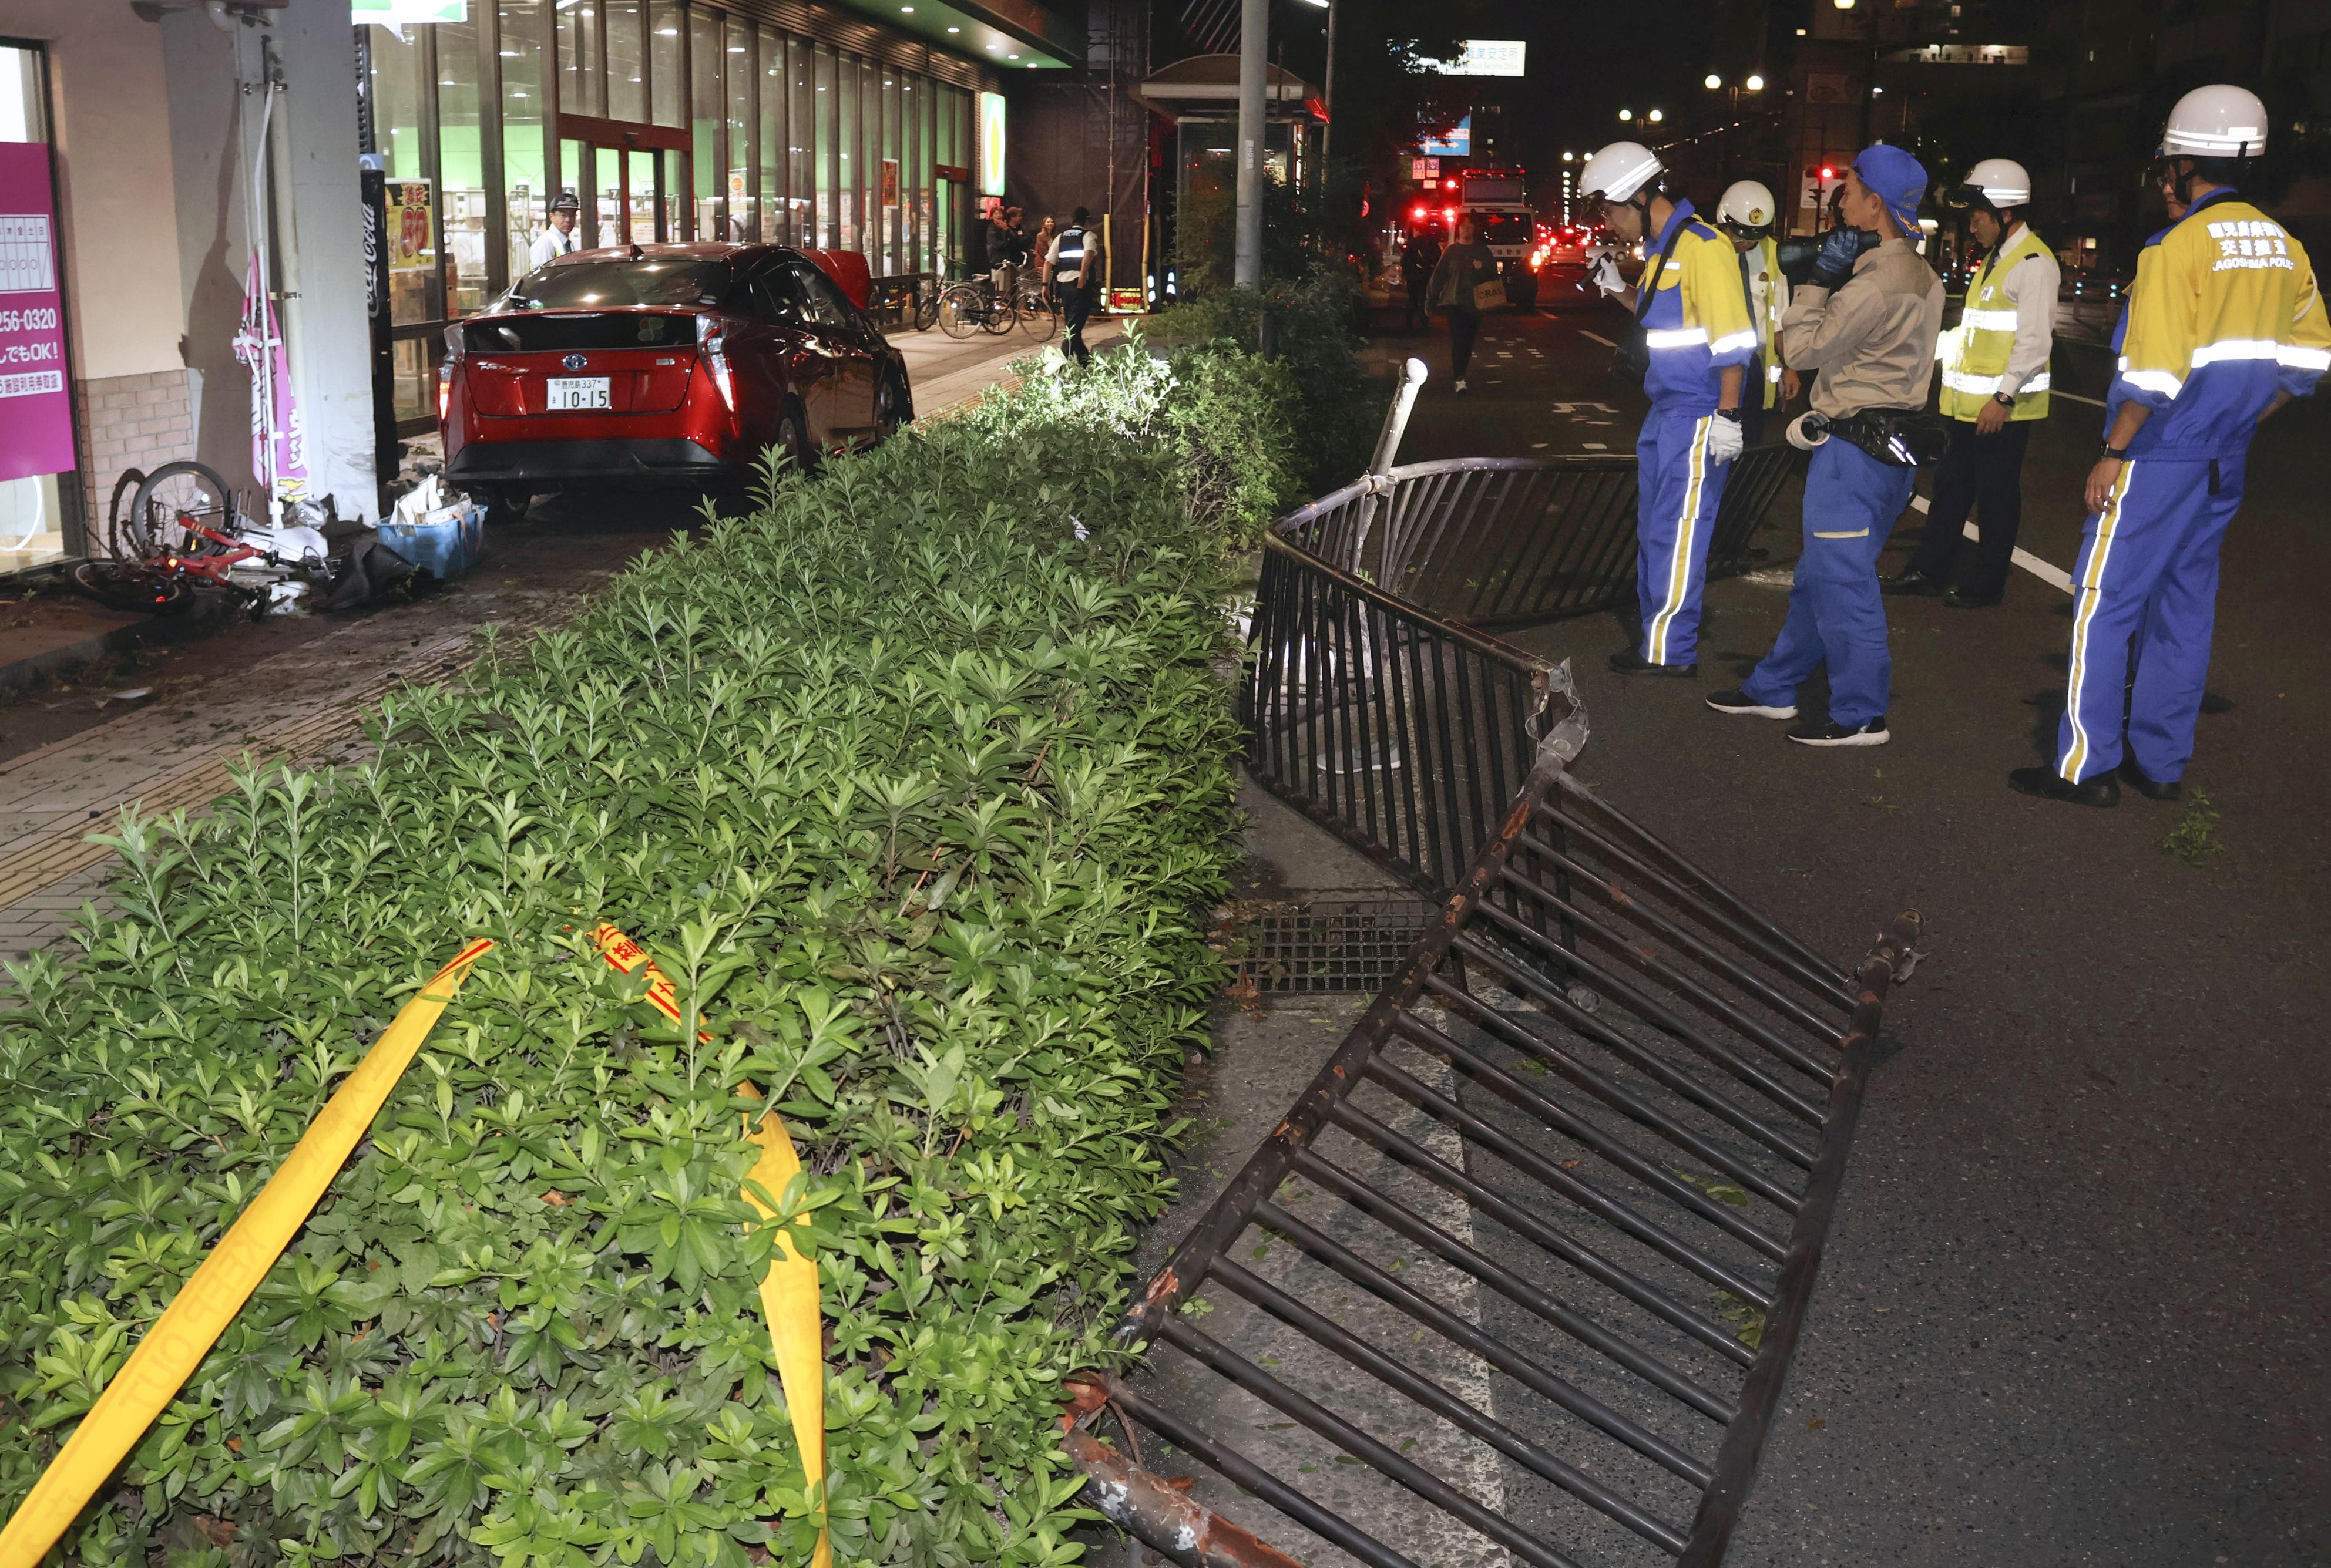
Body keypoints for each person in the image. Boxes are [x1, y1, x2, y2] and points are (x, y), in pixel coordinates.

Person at [2011, 85, 2331, 806]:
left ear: (2188, 168)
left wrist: (2113, 452)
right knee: (2184, 609)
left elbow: (2151, 371)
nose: (2161, 185)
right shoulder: (2286, 248)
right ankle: (2159, 764)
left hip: (2156, 454)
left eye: (2167, 170)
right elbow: (2309, 362)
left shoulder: (2174, 249)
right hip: (2224, 457)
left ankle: (2083, 768)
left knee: (2103, 602)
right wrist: (2242, 418)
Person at [1705, 143, 1943, 746]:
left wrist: (1813, 283)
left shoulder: (1871, 284)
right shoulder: (1924, 275)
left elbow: (1802, 351)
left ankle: (1861, 714)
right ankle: (1773, 687)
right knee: (1821, 578)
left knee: (1844, 587)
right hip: (1892, 452)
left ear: (1876, 204)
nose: (1841, 195)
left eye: (1852, 186)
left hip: (1852, 453)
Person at [1579, 140, 1756, 677]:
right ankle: (1656, 636)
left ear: (1635, 195)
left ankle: (1669, 651)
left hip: (1700, 412)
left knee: (1679, 531)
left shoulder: (1705, 245)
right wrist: (1615, 288)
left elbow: (1734, 341)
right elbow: (1659, 315)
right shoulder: (1665, 249)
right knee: (1658, 528)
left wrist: (1727, 418)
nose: (1608, 223)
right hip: (1667, 410)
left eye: (1608, 210)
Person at [1885, 158, 2059, 608]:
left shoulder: (2034, 263)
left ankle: (1987, 583)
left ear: (2004, 213)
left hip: (2001, 410)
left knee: (1996, 499)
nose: (1972, 225)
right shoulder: (1998, 261)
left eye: (1978, 216)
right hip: (1966, 407)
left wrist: (2003, 399)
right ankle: (1928, 570)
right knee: (1950, 491)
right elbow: (1975, 332)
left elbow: (2035, 343)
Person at [1715, 179, 1798, 447]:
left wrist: (1791, 368)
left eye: (1752, 238)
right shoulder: (1705, 249)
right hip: (1712, 367)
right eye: (1738, 236)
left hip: (1755, 372)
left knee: (1748, 447)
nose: (1744, 244)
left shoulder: (1773, 254)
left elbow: (1780, 322)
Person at [1426, 216, 1498, 392]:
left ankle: (1461, 373)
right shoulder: (1451, 252)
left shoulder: (1482, 251)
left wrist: (1482, 268)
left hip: (1476, 304)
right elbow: (1438, 277)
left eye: (1470, 225)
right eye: (1464, 226)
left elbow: (1494, 277)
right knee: (1458, 340)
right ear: (1458, 229)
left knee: (1468, 340)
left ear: (1475, 229)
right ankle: (1459, 378)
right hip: (1454, 302)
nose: (1467, 229)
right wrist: (1430, 302)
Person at [1049, 206, 1097, 365]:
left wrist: (1044, 286)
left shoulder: (1061, 237)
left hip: (1063, 287)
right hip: (1079, 286)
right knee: (1073, 330)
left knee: (1072, 327)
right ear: (1085, 221)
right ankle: (1060, 367)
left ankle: (1086, 363)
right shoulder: (1087, 235)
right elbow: (1089, 254)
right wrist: (1083, 276)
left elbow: (1049, 261)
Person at [1402, 225, 1443, 333]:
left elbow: (1405, 260)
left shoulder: (1413, 243)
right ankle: (1424, 323)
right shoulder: (1432, 243)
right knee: (1425, 299)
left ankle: (1409, 323)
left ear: (1417, 230)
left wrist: (1406, 274)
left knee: (1412, 299)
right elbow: (1438, 258)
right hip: (1427, 275)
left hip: (1414, 276)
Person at [529, 191, 580, 269]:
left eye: (572, 215)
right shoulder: (546, 242)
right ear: (551, 216)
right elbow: (543, 277)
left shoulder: (568, 244)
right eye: (563, 215)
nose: (568, 220)